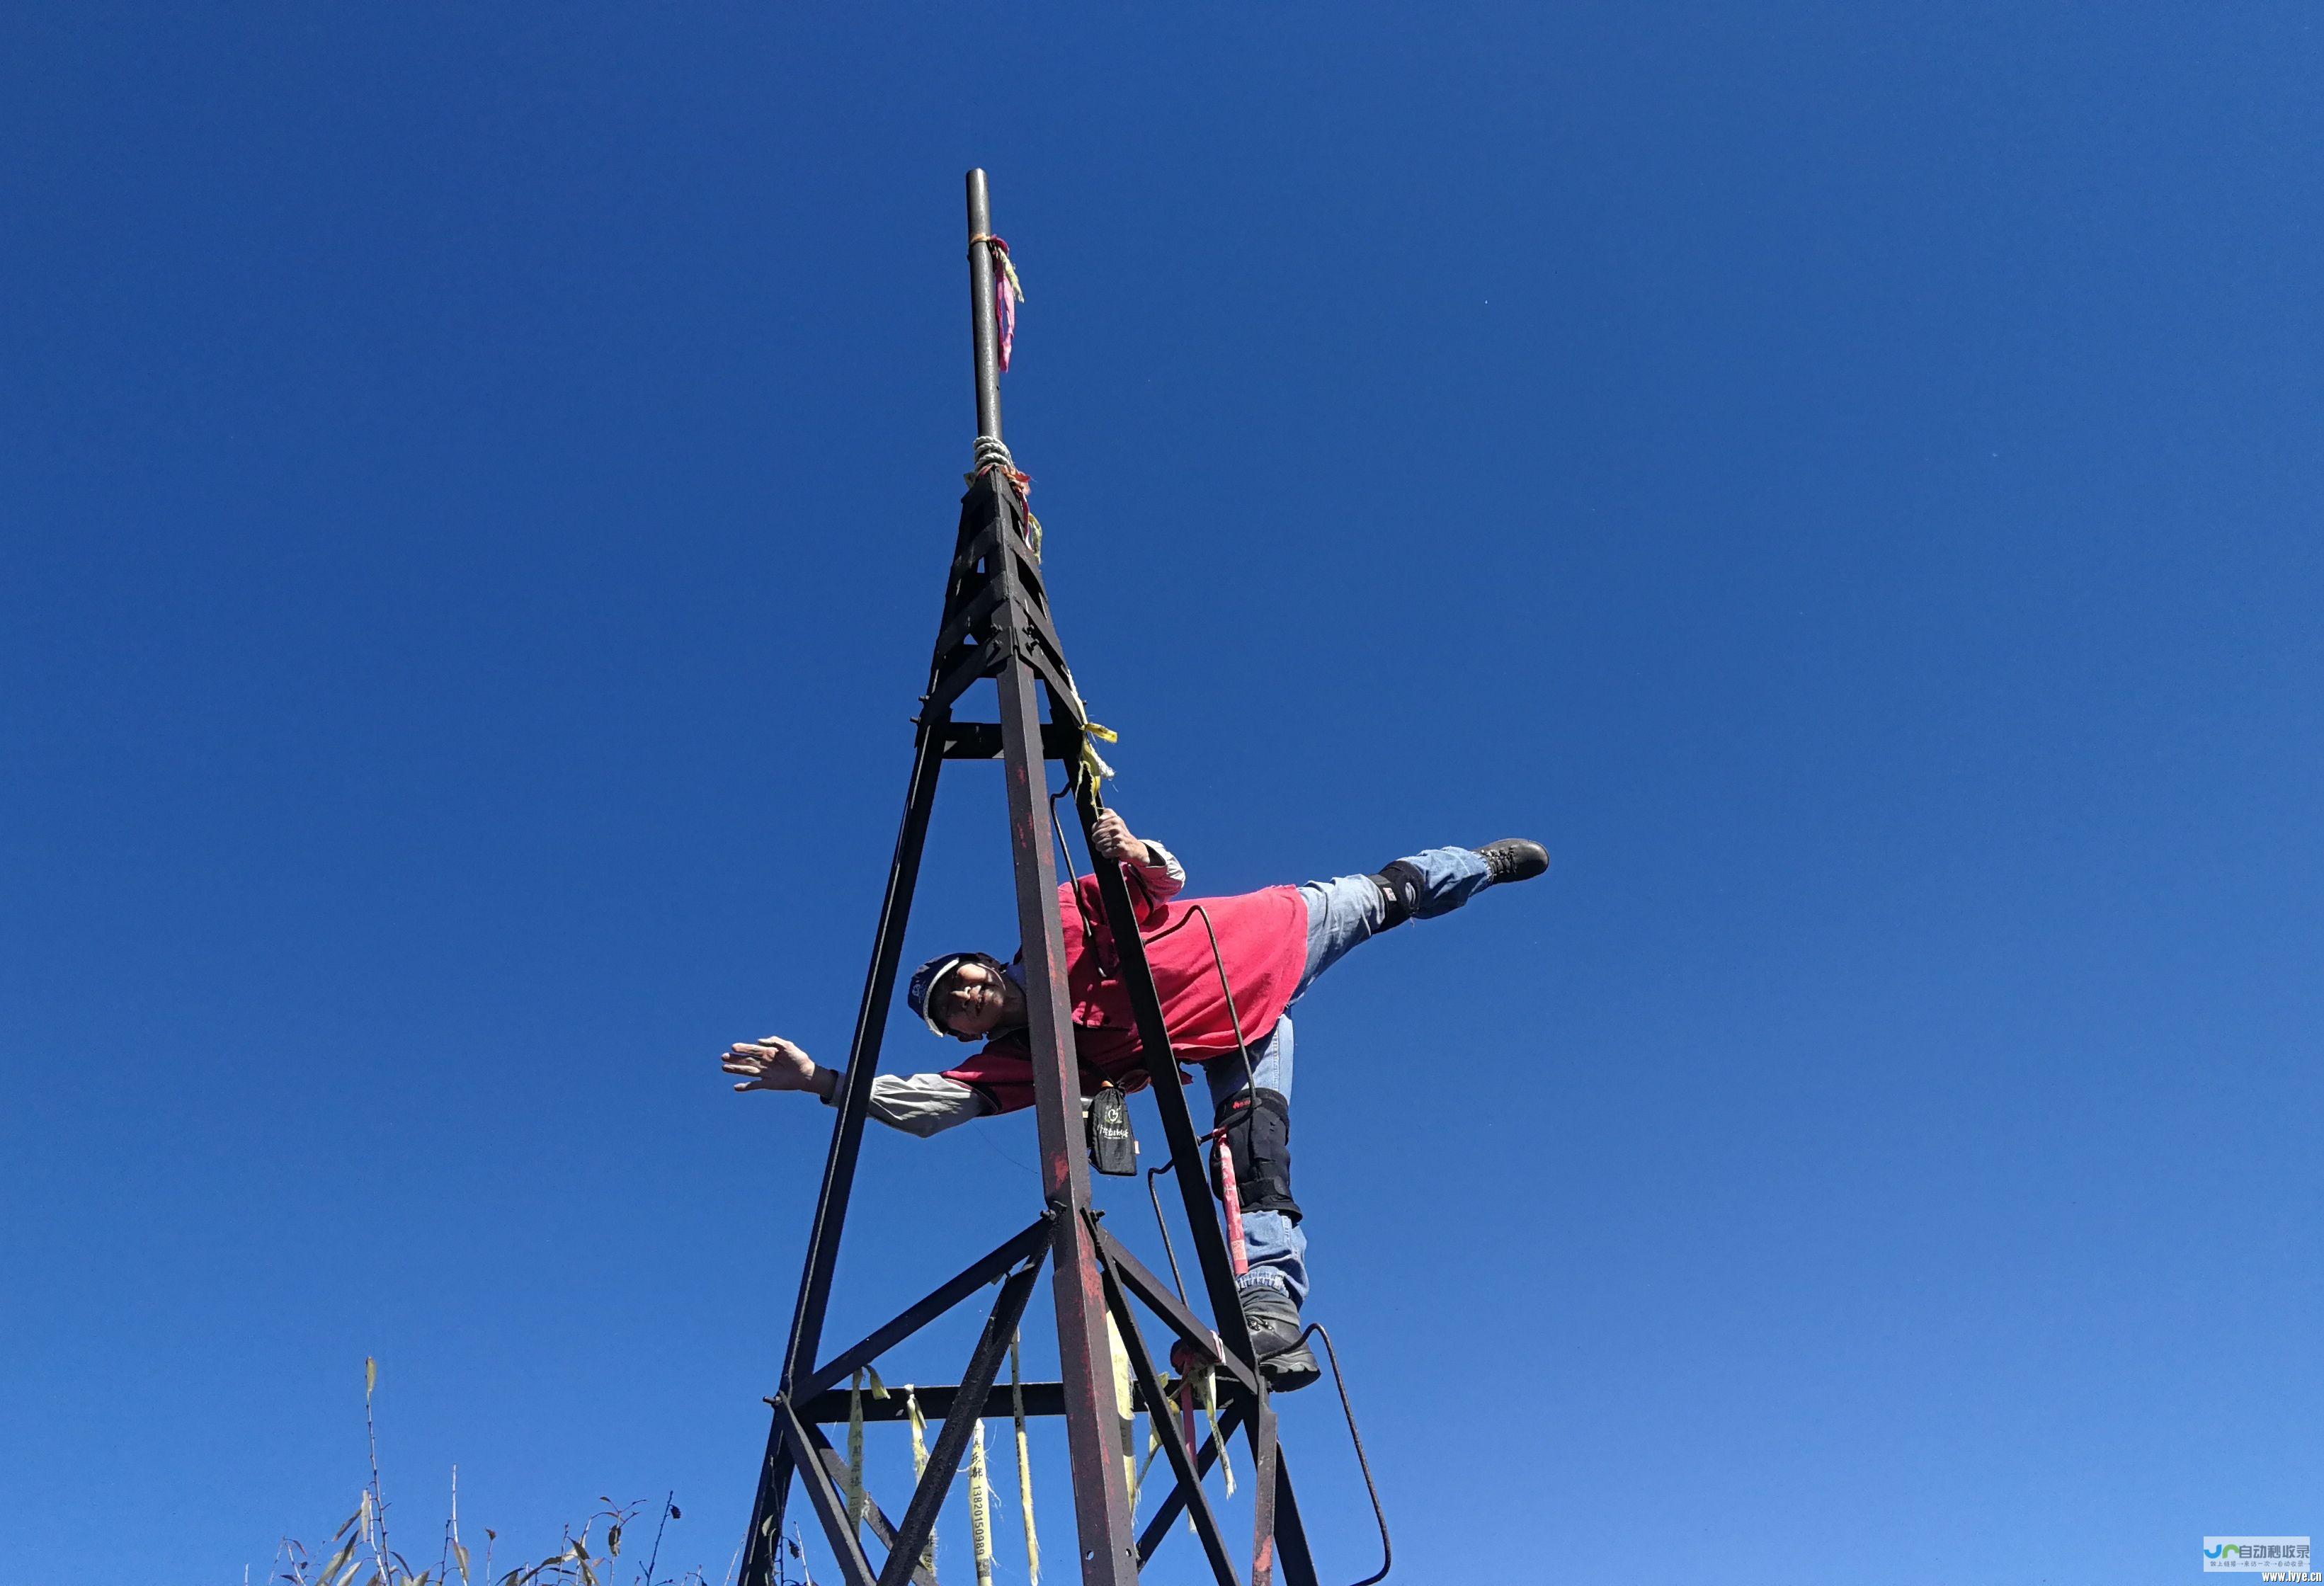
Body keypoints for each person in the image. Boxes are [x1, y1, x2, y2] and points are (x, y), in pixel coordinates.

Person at [722, 808, 1548, 1388]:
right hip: (1238, 1036)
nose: (964, 996)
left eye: (959, 979)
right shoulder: (1031, 1058)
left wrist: (1131, 848)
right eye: (951, 1010)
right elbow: (929, 1103)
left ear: (981, 959)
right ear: (964, 1033)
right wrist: (823, 1081)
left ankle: (1478, 863)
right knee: (1252, 1153)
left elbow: (1156, 882)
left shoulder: (1059, 923)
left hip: (1272, 931)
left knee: (1391, 894)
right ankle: (1265, 1303)